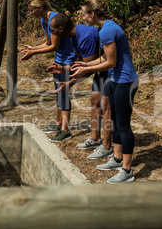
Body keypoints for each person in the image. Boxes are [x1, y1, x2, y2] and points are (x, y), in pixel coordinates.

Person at [70, 0, 139, 184]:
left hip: (125, 81)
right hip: (114, 79)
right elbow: (104, 59)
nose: (83, 17)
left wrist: (86, 69)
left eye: (84, 14)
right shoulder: (104, 28)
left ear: (92, 14)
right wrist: (84, 64)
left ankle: (127, 170)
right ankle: (117, 158)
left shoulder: (107, 30)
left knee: (123, 124)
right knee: (115, 120)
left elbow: (111, 62)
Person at [48, 13, 113, 159]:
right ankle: (95, 138)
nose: (51, 33)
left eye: (53, 30)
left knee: (106, 106)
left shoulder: (85, 37)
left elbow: (88, 68)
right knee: (95, 100)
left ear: (61, 28)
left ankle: (107, 145)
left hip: (110, 69)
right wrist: (64, 69)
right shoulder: (73, 36)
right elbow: (80, 62)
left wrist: (69, 83)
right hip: (100, 68)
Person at [19, 0, 77, 142]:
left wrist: (33, 53)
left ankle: (66, 130)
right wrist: (33, 48)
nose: (30, 13)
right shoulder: (43, 20)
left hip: (68, 59)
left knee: (63, 93)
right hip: (59, 58)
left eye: (32, 10)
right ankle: (58, 124)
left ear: (40, 8)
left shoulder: (54, 20)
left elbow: (54, 46)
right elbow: (47, 42)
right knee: (58, 92)